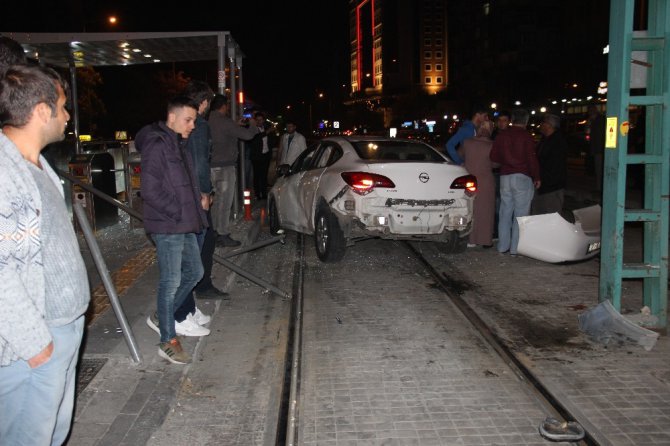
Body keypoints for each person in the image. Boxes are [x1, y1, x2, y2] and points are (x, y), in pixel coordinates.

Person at [0, 65, 90, 445]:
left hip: (61, 328)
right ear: (41, 111)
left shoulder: (35, 164)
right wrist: (34, 343)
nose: (68, 116)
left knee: (52, 434)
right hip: (35, 342)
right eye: (63, 106)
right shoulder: (5, 173)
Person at [136, 96, 208, 364]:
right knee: (170, 282)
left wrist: (195, 211)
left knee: (195, 272)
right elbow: (150, 190)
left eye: (194, 120)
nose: (192, 125)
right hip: (169, 225)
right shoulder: (158, 144)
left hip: (183, 222)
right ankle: (167, 339)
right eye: (188, 120)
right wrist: (178, 211)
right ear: (172, 118)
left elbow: (184, 184)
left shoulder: (178, 143)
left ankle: (161, 316)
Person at [182, 81, 229, 300]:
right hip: (196, 192)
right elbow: (200, 161)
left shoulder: (180, 122)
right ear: (203, 103)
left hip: (182, 189)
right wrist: (206, 193)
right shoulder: (199, 125)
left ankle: (194, 290)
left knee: (194, 242)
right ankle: (201, 287)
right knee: (205, 240)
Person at [209, 94, 259, 247]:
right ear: (223, 106)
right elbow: (248, 135)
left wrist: (234, 124)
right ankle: (223, 234)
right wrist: (252, 124)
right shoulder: (225, 122)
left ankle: (215, 231)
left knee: (215, 202)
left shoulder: (208, 121)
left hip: (211, 167)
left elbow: (225, 132)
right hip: (225, 167)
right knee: (225, 202)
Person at [490, 109, 541, 256]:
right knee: (520, 215)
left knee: (505, 212)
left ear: (512, 119)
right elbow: (532, 158)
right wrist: (536, 177)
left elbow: (493, 156)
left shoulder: (502, 135)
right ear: (526, 121)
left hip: (505, 176)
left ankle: (502, 246)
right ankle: (515, 248)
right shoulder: (527, 136)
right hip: (522, 176)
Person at [462, 120, 497, 247]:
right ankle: (484, 240)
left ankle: (470, 239)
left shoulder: (467, 142)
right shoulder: (492, 145)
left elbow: (460, 155)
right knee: (485, 211)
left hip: (468, 180)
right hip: (486, 181)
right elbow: (496, 164)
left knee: (470, 209)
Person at [532, 114, 567, 215]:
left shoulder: (557, 142)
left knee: (551, 217)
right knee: (539, 215)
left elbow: (554, 166)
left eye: (543, 123)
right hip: (543, 186)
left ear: (549, 125)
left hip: (552, 188)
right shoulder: (545, 140)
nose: (540, 125)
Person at [249, 111, 277, 199]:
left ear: (263, 120)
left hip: (266, 155)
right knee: (257, 176)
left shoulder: (266, 128)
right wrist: (267, 132)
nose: (259, 122)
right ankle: (257, 194)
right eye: (257, 120)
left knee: (264, 176)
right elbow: (256, 139)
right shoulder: (253, 129)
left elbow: (272, 140)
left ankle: (264, 194)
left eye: (260, 120)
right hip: (256, 156)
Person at [587, 104, 605, 193]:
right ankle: (599, 187)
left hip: (599, 148)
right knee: (598, 168)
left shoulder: (598, 121)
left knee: (599, 168)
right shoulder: (594, 121)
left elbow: (597, 136)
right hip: (598, 148)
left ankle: (600, 187)